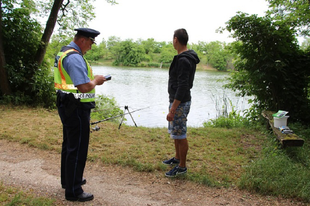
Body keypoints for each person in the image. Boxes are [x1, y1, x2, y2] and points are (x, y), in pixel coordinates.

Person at [54, 28, 107, 202]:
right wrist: (96, 81)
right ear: (83, 40)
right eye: (91, 43)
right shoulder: (75, 57)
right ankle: (74, 190)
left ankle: (68, 181)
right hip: (76, 108)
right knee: (77, 148)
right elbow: (84, 87)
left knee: (69, 145)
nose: (91, 47)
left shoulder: (64, 52)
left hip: (68, 104)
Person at [163, 28, 200, 177]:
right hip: (177, 101)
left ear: (176, 39)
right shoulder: (183, 57)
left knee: (180, 133)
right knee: (175, 132)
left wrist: (173, 109)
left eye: (173, 39)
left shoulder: (184, 60)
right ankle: (177, 158)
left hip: (180, 102)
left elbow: (183, 86)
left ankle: (182, 166)